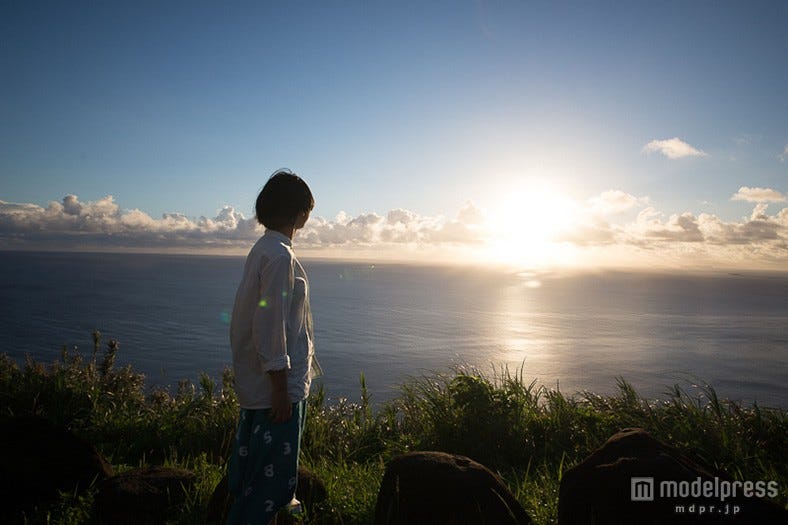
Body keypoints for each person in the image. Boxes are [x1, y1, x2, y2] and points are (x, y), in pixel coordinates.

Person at [227, 169, 321, 524]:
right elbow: (271, 327)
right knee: (270, 484)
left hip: (260, 385)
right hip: (276, 390)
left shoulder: (263, 248)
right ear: (299, 213)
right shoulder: (280, 257)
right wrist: (281, 389)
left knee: (250, 472)